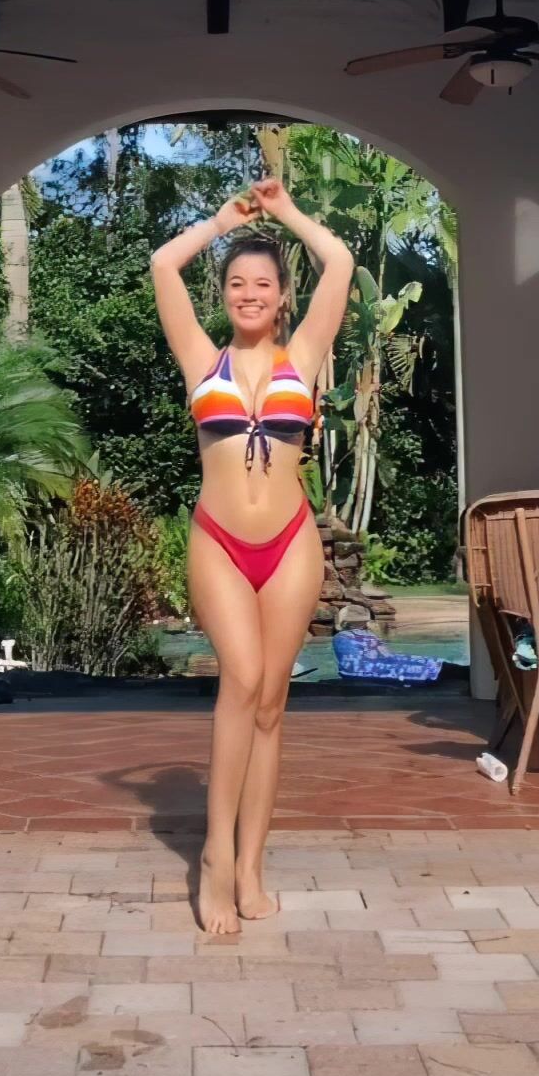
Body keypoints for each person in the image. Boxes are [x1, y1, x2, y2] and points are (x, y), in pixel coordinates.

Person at [150, 175, 354, 935]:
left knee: (271, 703)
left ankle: (251, 867)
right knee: (240, 678)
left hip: (291, 541)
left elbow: (340, 262)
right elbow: (163, 265)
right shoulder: (201, 359)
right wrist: (220, 222)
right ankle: (214, 858)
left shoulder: (305, 354)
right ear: (224, 295)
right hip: (220, 540)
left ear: (282, 297)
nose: (248, 294)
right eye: (237, 283)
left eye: (262, 284)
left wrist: (286, 212)